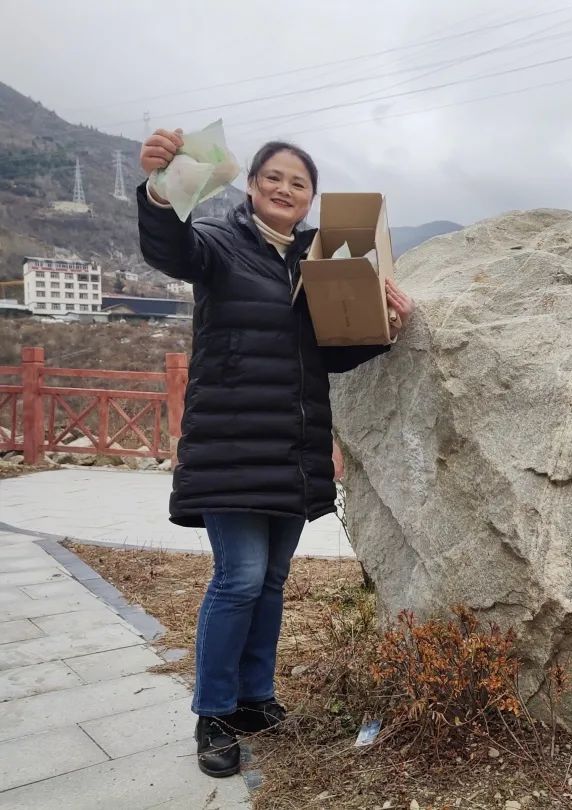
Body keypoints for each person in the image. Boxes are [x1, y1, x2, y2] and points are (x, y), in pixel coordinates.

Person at [137, 129, 415, 778]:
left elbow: (335, 349)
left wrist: (386, 330)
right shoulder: (219, 245)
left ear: (311, 197)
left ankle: (255, 699)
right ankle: (213, 713)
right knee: (237, 578)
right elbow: (168, 246)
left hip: (292, 450)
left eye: (298, 182)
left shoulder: (322, 262)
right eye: (273, 178)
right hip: (229, 445)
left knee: (269, 580)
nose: (284, 189)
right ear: (251, 185)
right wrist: (158, 192)